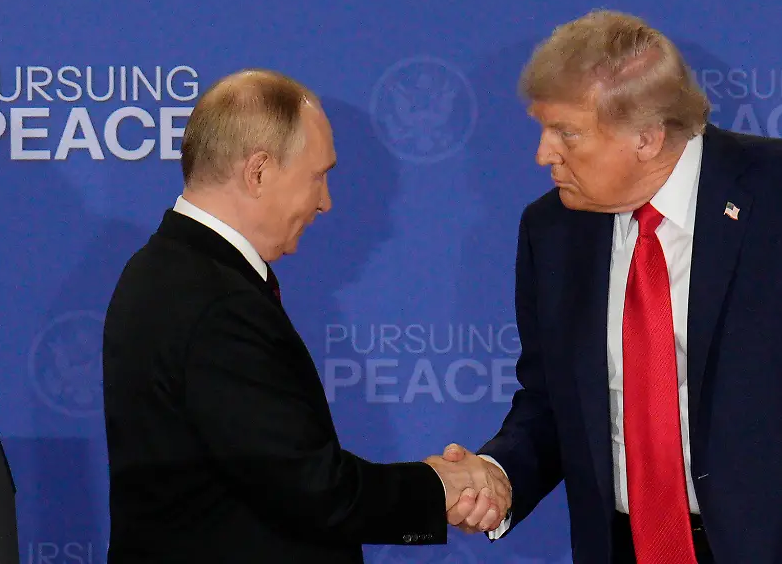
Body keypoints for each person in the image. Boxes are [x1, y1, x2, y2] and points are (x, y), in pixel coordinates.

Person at [440, 10, 782, 563]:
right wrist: (497, 474)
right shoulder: (552, 231)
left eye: (567, 133)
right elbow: (551, 404)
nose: (544, 153)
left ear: (645, 135)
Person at [101, 69, 510, 564]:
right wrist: (437, 488)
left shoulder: (169, 271)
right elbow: (310, 487)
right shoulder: (215, 302)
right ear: (258, 172)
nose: (325, 201)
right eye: (318, 175)